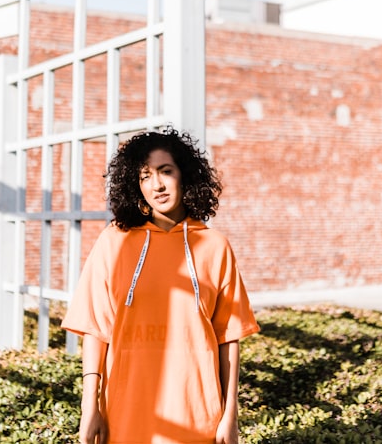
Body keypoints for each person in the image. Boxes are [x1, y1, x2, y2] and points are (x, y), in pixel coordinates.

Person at [62, 126, 260, 444]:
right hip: (124, 408)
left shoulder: (214, 246)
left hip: (197, 412)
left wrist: (230, 414)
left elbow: (229, 338)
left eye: (165, 171)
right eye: (145, 176)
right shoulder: (114, 242)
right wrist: (90, 407)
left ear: (185, 175)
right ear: (134, 185)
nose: (157, 185)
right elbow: (95, 329)